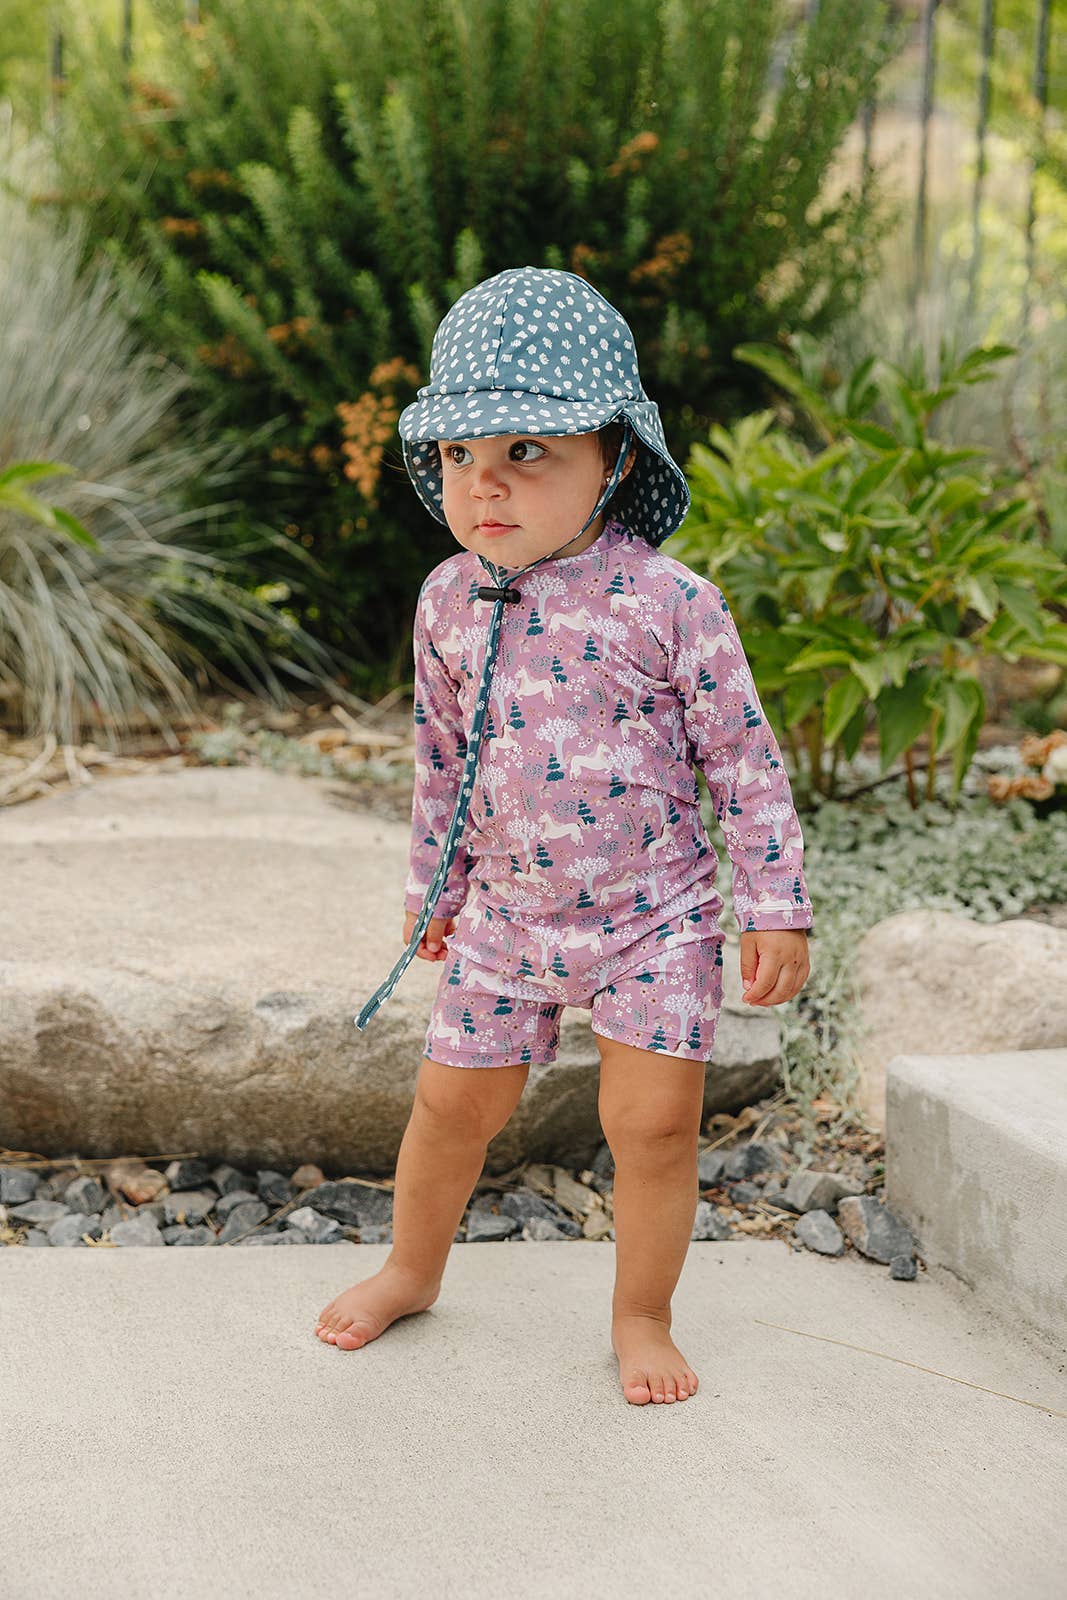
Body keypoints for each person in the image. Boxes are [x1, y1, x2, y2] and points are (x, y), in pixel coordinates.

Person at [318, 267, 814, 1406]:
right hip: (504, 913)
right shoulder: (448, 599)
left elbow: (741, 757)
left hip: (656, 915)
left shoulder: (669, 602)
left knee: (649, 1124)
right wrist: (430, 888)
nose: (483, 485)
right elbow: (438, 754)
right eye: (457, 457)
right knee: (453, 1103)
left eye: (525, 453)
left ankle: (640, 1314)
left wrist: (772, 899)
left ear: (615, 458)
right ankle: (410, 1267)